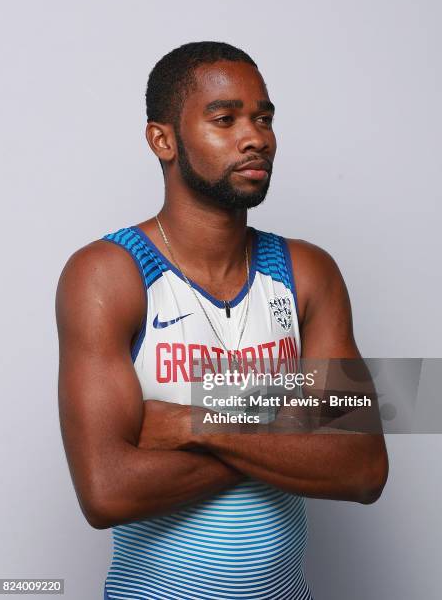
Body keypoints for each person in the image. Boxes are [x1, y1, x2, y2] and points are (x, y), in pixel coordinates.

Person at [56, 41, 388, 600]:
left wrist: (193, 424)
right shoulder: (107, 275)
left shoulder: (308, 271)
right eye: (224, 118)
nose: (255, 136)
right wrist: (292, 433)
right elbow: (106, 492)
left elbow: (364, 468)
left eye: (263, 118)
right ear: (162, 140)